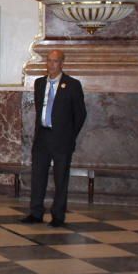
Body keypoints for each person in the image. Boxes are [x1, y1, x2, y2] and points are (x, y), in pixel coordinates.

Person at [21, 49, 87, 228]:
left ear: (62, 63)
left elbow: (80, 114)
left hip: (61, 139)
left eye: (55, 61)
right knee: (38, 176)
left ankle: (58, 215)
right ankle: (36, 212)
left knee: (60, 178)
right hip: (42, 136)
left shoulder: (72, 85)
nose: (51, 65)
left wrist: (69, 134)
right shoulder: (40, 83)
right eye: (49, 61)